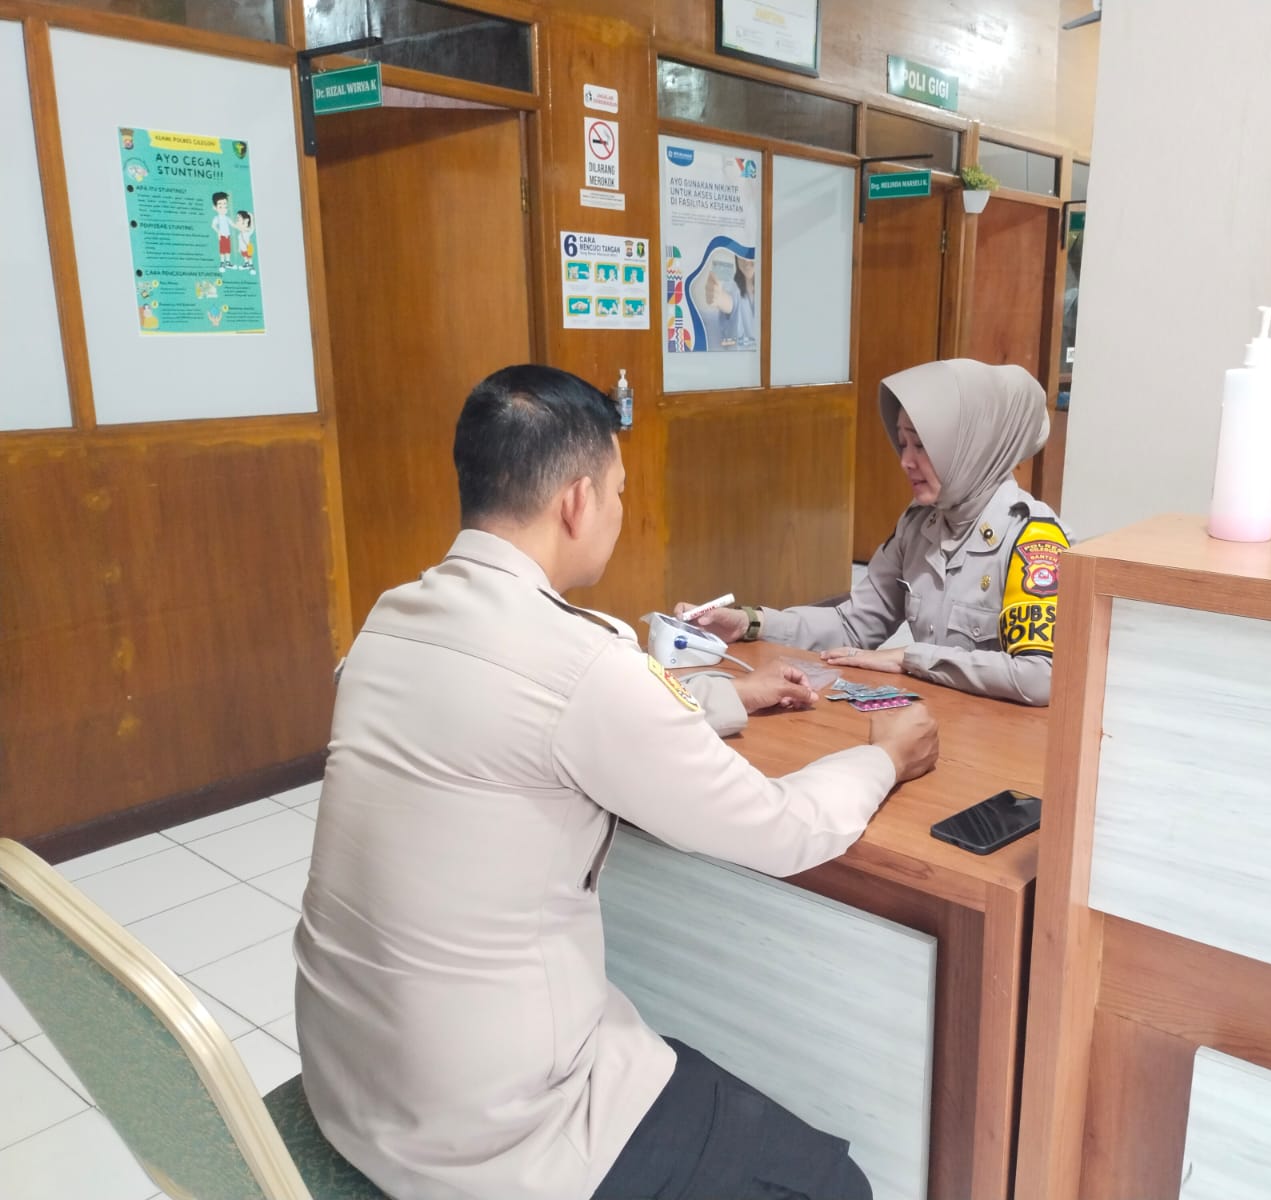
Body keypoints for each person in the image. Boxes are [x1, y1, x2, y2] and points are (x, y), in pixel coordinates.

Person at [294, 364, 939, 1200]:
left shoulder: (390, 621)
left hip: (351, 1085)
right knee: (835, 1186)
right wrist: (884, 756)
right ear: (577, 500)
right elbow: (781, 831)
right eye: (620, 492)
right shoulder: (582, 658)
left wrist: (726, 698)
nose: (620, 512)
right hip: (499, 1137)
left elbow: (519, 718)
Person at [678, 359, 1071, 707]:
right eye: (902, 443)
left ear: (972, 447)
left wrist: (910, 658)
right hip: (931, 719)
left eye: (922, 445)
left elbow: (1041, 676)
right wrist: (751, 623)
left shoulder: (1032, 540)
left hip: (999, 740)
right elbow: (854, 624)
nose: (905, 461)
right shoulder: (920, 524)